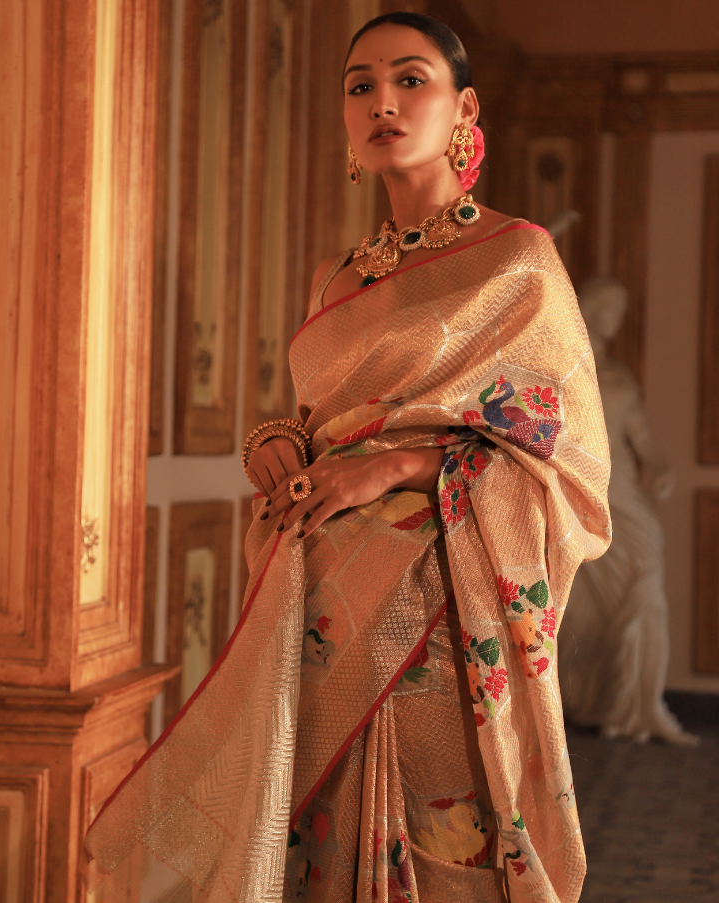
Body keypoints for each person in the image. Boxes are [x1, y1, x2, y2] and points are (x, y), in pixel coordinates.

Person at [84, 13, 611, 903]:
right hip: (319, 598)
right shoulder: (338, 279)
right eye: (360, 85)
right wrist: (280, 442)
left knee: (445, 841)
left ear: (463, 107)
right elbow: (327, 421)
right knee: (313, 845)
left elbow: (565, 457)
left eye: (411, 80)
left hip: (437, 615)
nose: (383, 103)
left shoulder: (519, 264)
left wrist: (398, 468)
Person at [560, 275, 698, 746]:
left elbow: (641, 438)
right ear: (587, 306)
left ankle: (643, 706)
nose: (617, 318)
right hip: (579, 496)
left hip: (625, 499)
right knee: (578, 609)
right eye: (610, 307)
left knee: (648, 581)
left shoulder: (619, 375)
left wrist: (659, 467)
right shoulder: (559, 365)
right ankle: (592, 703)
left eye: (621, 309)